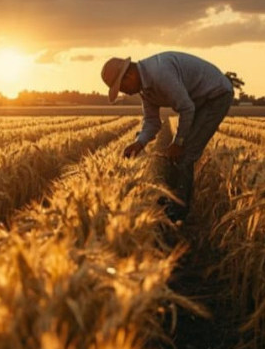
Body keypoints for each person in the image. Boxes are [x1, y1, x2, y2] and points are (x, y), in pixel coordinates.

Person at [100, 51, 242, 222]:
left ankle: (180, 210)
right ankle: (175, 198)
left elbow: (187, 108)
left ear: (129, 75)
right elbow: (152, 121)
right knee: (179, 153)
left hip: (216, 96)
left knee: (187, 152)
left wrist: (178, 142)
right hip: (198, 100)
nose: (126, 93)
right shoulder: (145, 89)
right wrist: (139, 143)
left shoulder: (160, 73)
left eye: (122, 88)